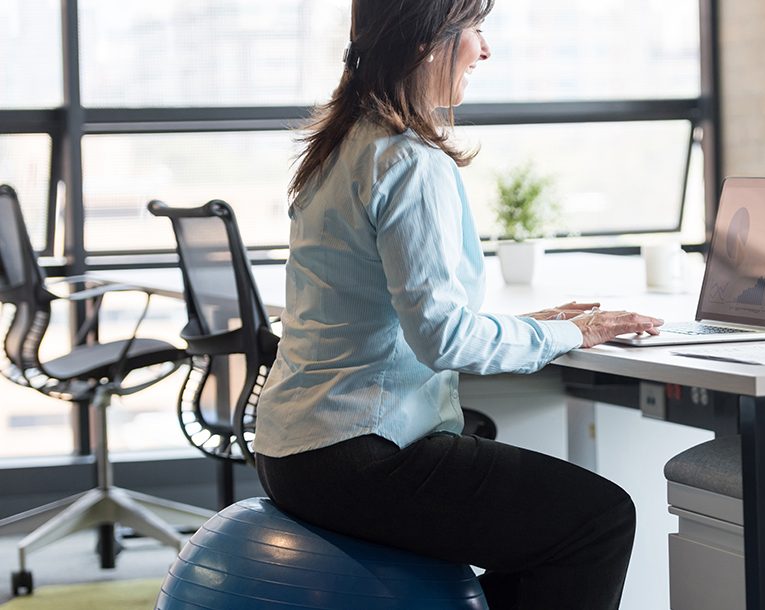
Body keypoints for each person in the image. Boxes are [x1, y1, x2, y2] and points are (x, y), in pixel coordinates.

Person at [252, 1, 664, 609]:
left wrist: (534, 327)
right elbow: (442, 338)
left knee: (546, 532)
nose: (485, 49)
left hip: (293, 451)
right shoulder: (406, 158)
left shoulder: (341, 143)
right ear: (425, 42)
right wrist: (573, 334)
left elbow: (404, 318)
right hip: (358, 454)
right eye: (475, 30)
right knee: (597, 521)